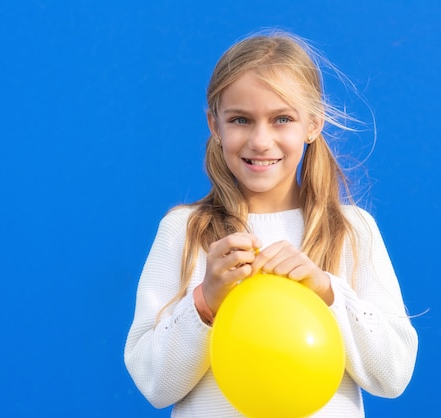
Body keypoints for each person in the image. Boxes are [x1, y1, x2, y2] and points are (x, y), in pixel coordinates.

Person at [124, 30, 418, 417]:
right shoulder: (183, 231)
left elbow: (393, 375)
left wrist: (327, 291)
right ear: (215, 125)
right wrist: (205, 301)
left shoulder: (352, 231)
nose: (261, 141)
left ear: (313, 124)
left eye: (281, 119)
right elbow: (153, 384)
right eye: (241, 120)